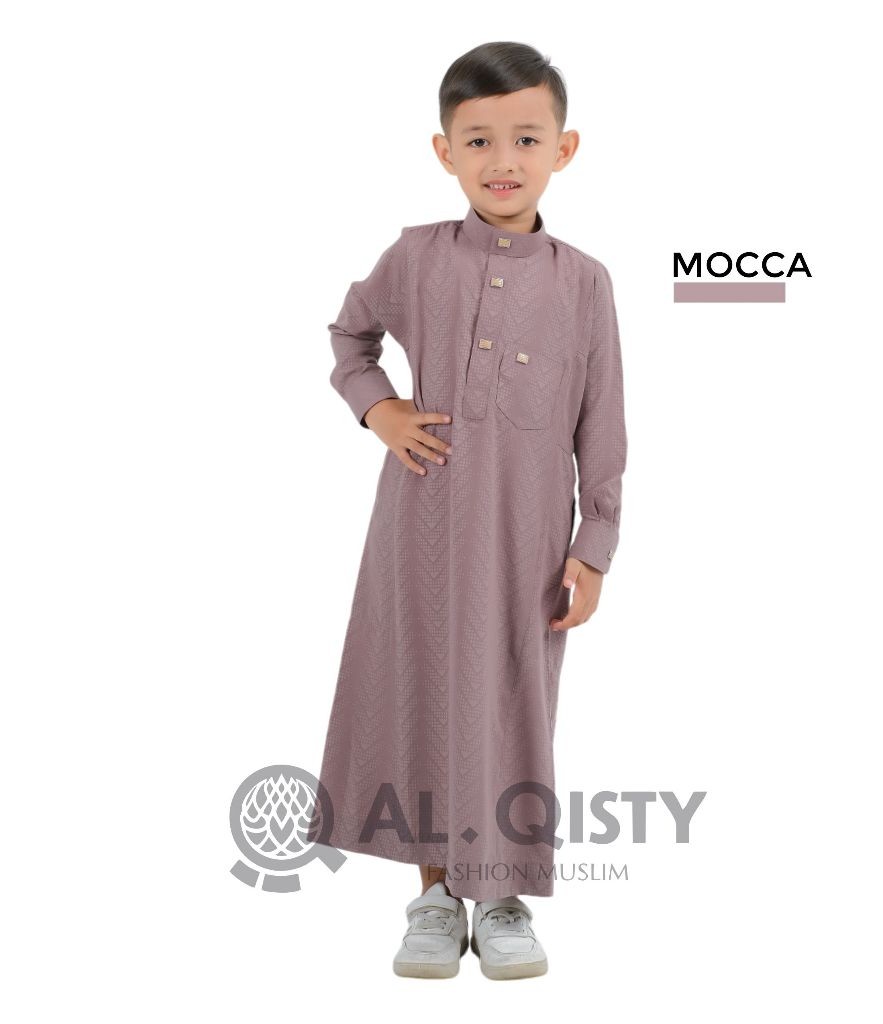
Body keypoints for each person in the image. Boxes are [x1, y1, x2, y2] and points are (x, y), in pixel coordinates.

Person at [305, 40, 627, 980]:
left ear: (564, 149)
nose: (503, 160)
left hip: (529, 541)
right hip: (424, 530)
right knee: (424, 692)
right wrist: (380, 410)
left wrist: (595, 543)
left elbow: (602, 419)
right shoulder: (416, 258)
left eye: (526, 138)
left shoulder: (584, 281)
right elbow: (350, 336)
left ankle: (506, 896)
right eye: (479, 140)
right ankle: (437, 895)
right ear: (445, 151)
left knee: (514, 702)